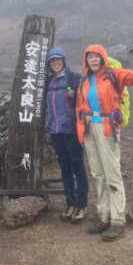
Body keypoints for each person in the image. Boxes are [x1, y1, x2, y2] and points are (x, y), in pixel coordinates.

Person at [76, 44, 133, 241]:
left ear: (103, 58)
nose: (93, 60)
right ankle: (104, 217)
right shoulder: (85, 81)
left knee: (112, 174)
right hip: (89, 129)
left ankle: (118, 222)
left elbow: (131, 78)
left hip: (106, 128)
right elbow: (80, 106)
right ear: (86, 61)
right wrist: (81, 131)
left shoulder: (112, 74)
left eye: (96, 56)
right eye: (89, 57)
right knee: (98, 174)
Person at [45, 47, 89, 224]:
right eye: (52, 61)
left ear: (64, 60)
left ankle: (82, 205)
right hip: (55, 130)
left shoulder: (74, 78)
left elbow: (85, 101)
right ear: (49, 64)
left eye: (58, 60)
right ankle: (70, 204)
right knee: (65, 169)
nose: (56, 63)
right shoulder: (49, 82)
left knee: (78, 168)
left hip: (72, 130)